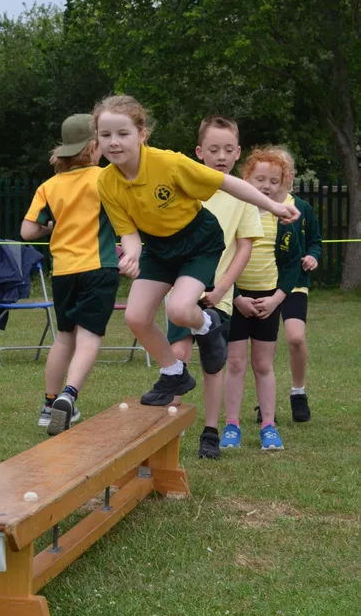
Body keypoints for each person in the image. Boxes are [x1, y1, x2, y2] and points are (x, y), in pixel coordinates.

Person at [94, 95, 300, 410]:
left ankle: (206, 325)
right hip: (159, 248)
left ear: (142, 134)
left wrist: (273, 206)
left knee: (179, 309)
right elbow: (128, 232)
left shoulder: (169, 163)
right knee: (135, 316)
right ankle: (173, 372)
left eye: (123, 133)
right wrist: (132, 255)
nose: (114, 142)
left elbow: (228, 184)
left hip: (198, 243)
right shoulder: (106, 182)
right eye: (105, 134)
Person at [167, 115, 263, 459]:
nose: (221, 156)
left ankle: (210, 431)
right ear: (199, 152)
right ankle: (167, 428)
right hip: (182, 291)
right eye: (213, 149)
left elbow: (245, 247)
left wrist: (223, 289)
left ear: (237, 152)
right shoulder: (186, 187)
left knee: (213, 362)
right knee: (178, 356)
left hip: (217, 297)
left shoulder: (243, 195)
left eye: (227, 149)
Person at [21, 114, 119, 435]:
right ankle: (69, 395)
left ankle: (49, 404)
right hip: (98, 268)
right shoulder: (106, 178)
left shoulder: (49, 186)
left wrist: (49, 227)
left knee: (64, 337)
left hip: (63, 271)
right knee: (89, 336)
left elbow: (27, 231)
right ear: (93, 147)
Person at [221, 148, 302, 451]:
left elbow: (292, 266)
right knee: (235, 362)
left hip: (269, 301)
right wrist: (236, 297)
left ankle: (269, 426)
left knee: (263, 364)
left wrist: (276, 300)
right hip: (236, 300)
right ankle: (231, 425)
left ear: (282, 183)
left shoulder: (283, 218)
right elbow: (222, 261)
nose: (266, 186)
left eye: (273, 181)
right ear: (246, 179)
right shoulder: (236, 213)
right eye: (260, 179)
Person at [269, 146, 322, 423]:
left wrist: (313, 256)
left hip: (295, 284)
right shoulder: (253, 206)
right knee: (265, 347)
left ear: (289, 176)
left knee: (295, 338)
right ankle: (265, 401)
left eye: (280, 174)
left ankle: (298, 393)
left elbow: (315, 241)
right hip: (263, 283)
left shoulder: (302, 208)